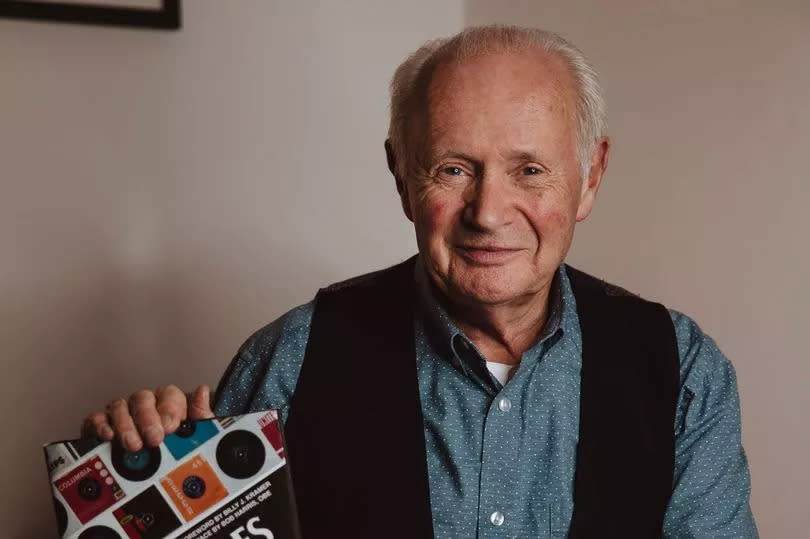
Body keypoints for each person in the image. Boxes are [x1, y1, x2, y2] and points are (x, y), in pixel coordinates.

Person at [81, 25, 757, 538]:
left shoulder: (683, 371)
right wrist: (136, 479)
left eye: (529, 170)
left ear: (591, 177)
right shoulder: (289, 360)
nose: (488, 213)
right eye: (454, 169)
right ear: (402, 173)